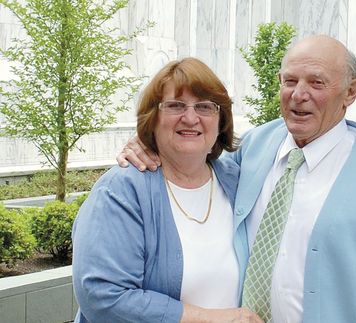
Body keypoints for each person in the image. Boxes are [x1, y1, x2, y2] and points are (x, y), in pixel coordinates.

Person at [118, 35, 356, 322]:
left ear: (351, 91)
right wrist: (149, 142)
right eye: (290, 81)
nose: (299, 95)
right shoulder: (256, 145)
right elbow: (194, 163)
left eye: (317, 83)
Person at [72, 57, 262, 323]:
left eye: (205, 107)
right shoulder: (121, 190)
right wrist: (212, 319)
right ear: (153, 117)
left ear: (221, 121)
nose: (191, 118)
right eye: (175, 106)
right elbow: (103, 296)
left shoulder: (235, 181)